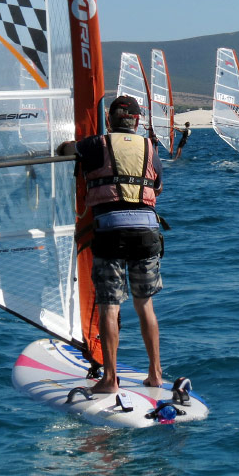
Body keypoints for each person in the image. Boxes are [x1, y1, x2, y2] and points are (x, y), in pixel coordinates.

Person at [57, 95, 164, 392]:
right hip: (147, 232)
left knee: (109, 306)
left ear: (109, 120)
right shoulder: (150, 147)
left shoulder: (95, 145)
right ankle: (155, 374)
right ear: (138, 121)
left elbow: (65, 150)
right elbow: (157, 186)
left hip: (110, 232)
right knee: (146, 306)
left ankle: (109, 379)